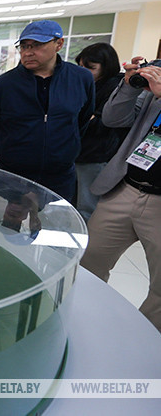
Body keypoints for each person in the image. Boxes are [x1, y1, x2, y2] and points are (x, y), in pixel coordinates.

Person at [81, 58, 161, 332]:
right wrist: (129, 85)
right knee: (88, 263)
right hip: (125, 188)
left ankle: (146, 342)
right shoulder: (153, 93)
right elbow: (114, 118)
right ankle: (81, 320)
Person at [0, 20, 94, 202]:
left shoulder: (81, 79)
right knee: (6, 226)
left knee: (55, 227)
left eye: (37, 45)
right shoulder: (4, 85)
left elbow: (82, 119)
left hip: (59, 176)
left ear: (59, 44)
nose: (28, 52)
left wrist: (64, 149)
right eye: (24, 46)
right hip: (11, 173)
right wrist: (6, 152)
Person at [73, 43, 127, 221]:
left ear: (106, 67)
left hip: (95, 154)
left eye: (90, 68)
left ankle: (87, 244)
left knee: (87, 206)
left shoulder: (115, 86)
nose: (83, 71)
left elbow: (102, 121)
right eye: (80, 66)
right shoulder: (86, 84)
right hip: (77, 152)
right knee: (73, 201)